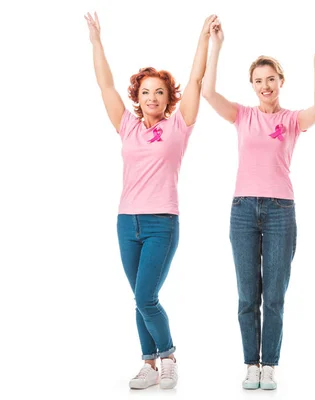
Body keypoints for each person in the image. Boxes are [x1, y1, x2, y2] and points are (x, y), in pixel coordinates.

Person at [84, 11, 217, 390]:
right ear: (138, 98)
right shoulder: (126, 125)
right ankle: (148, 363)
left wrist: (203, 37)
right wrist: (96, 42)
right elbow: (105, 85)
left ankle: (168, 355)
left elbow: (195, 79)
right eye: (146, 92)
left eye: (159, 91)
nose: (152, 97)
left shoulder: (179, 127)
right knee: (139, 299)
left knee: (147, 296)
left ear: (168, 98)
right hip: (127, 222)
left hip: (162, 222)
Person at [201, 19, 315, 390]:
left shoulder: (291, 120)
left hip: (280, 212)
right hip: (242, 211)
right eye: (258, 80)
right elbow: (208, 92)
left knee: (274, 294)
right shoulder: (243, 115)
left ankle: (269, 364)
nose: (265, 86)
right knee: (247, 294)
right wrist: (217, 46)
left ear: (280, 81)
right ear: (253, 86)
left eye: (270, 79)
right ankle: (250, 365)